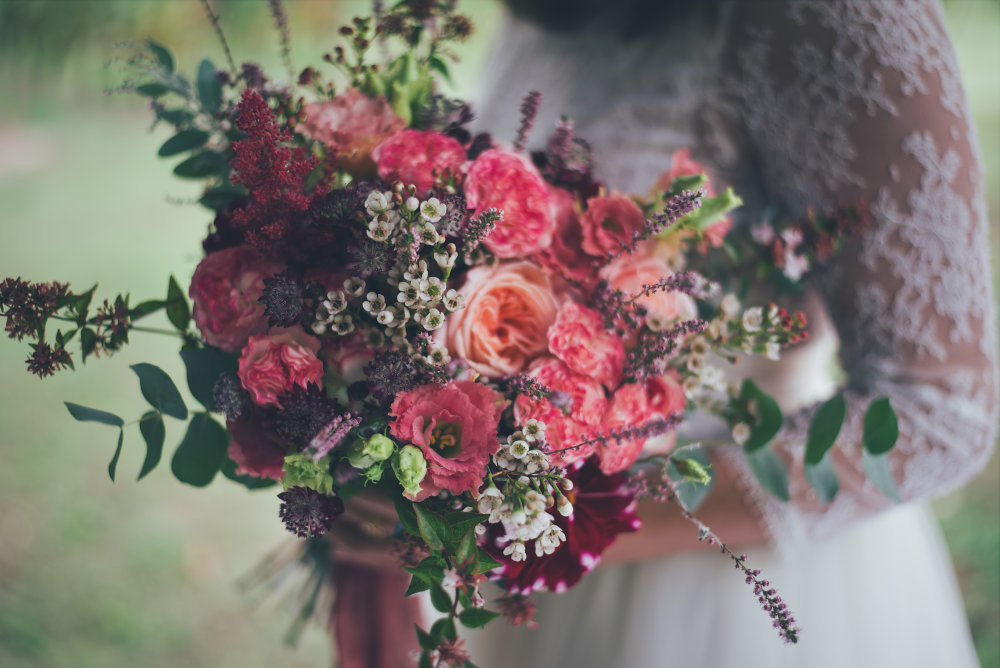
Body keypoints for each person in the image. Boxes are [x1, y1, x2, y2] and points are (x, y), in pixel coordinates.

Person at [456, 1, 998, 666]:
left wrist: (522, 527)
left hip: (726, 596)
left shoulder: (837, 18)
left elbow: (941, 414)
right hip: (525, 579)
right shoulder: (548, 14)